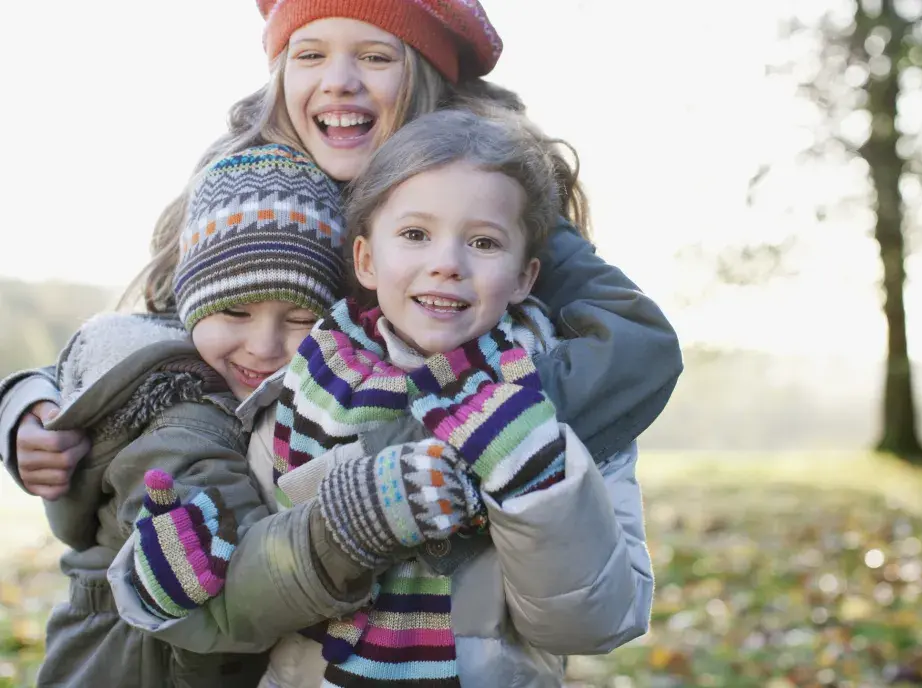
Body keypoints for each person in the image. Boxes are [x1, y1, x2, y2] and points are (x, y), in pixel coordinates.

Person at [1, 0, 682, 505]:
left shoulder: (483, 203)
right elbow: (153, 334)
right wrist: (34, 406)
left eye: (377, 56)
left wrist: (466, 433)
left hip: (441, 565)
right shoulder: (252, 192)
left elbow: (637, 343)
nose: (339, 81)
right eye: (311, 53)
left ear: (428, 81)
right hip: (270, 541)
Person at [116, 107, 653, 688]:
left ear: (525, 277)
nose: (447, 263)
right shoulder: (297, 392)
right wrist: (167, 589)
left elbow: (596, 624)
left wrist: (536, 481)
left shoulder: (562, 403)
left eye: (484, 241)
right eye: (416, 234)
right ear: (367, 259)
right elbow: (248, 612)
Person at [33, 144, 348, 688]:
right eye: (235, 311)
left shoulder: (263, 396)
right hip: (128, 667)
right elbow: (230, 594)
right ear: (190, 302)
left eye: (299, 318)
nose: (264, 345)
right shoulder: (183, 421)